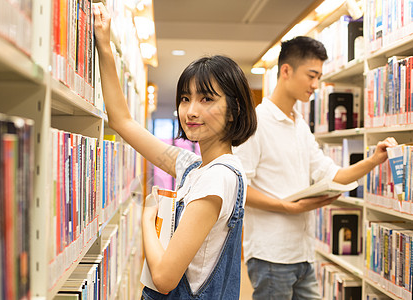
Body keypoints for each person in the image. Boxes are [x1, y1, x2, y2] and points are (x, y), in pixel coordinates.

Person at [92, 3, 257, 299]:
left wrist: (147, 218)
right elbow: (122, 121)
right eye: (185, 98)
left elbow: (165, 278)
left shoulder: (216, 179)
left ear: (233, 111)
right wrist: (105, 46)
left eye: (206, 99)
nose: (191, 111)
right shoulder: (195, 167)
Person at [233, 36, 397, 300]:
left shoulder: (299, 124)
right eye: (311, 75)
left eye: (319, 76)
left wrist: (374, 160)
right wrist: (287, 207)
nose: (316, 85)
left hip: (303, 252)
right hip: (271, 255)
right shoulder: (256, 123)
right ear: (286, 71)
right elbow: (239, 189)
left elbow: (331, 174)